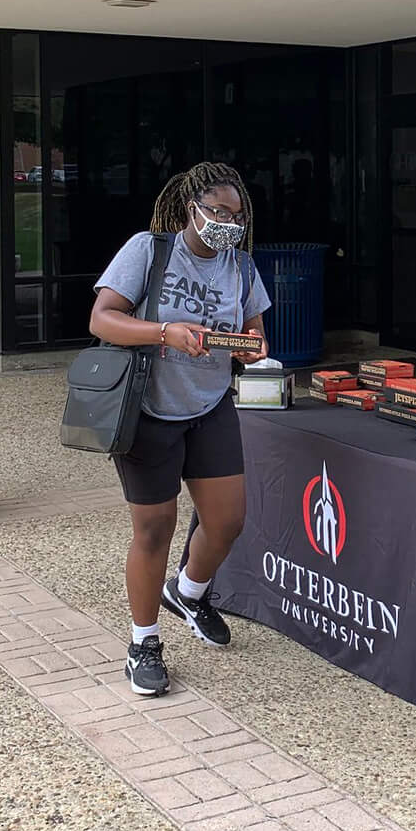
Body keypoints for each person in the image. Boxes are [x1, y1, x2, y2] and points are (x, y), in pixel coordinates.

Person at [89, 162, 271, 697]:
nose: (226, 223)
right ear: (191, 207)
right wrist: (165, 331)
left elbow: (255, 329)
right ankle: (143, 643)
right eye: (217, 211)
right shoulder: (150, 249)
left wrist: (252, 345)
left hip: (210, 403)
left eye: (235, 216)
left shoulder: (241, 267)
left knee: (228, 521)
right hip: (146, 407)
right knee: (154, 529)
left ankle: (188, 591)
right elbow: (103, 318)